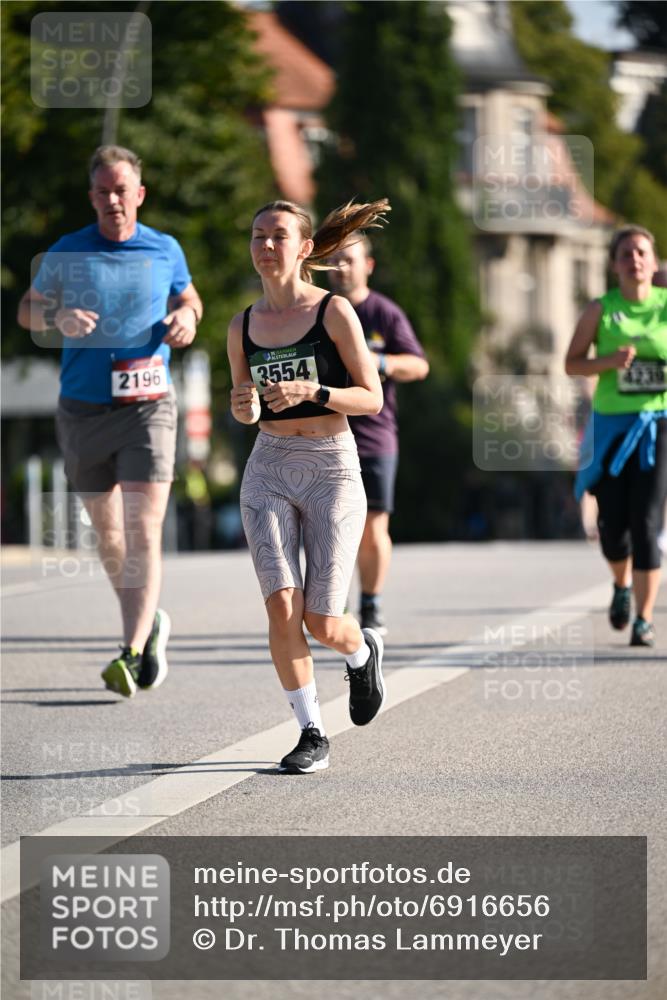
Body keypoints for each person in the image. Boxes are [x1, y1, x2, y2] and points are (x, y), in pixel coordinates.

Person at [18, 145, 202, 694]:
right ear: (92, 196)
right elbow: (27, 308)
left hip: (148, 406)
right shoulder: (68, 251)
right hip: (83, 409)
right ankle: (151, 624)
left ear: (139, 194)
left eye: (122, 190)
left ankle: (131, 648)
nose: (113, 200)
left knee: (143, 526)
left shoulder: (164, 248)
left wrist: (187, 318)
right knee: (108, 537)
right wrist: (58, 315)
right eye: (103, 191)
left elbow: (190, 299)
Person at [228, 198, 387, 774]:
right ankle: (311, 731)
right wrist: (242, 405)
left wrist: (313, 392)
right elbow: (246, 410)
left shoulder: (334, 312)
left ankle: (362, 650)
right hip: (268, 465)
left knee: (322, 621)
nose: (266, 245)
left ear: (303, 249)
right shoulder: (241, 325)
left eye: (277, 236)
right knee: (281, 607)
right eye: (257, 235)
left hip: (330, 467)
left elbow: (371, 398)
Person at [566, 225, 667, 647]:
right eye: (626, 253)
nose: (635, 260)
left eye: (641, 252)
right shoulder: (600, 310)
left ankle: (643, 619)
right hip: (609, 427)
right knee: (612, 527)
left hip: (657, 423)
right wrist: (607, 360)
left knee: (646, 521)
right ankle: (621, 585)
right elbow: (572, 364)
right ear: (614, 264)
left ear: (654, 260)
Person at [327, 237, 429, 634]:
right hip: (326, 434)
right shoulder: (318, 311)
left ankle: (370, 603)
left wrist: (378, 361)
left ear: (367, 265)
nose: (340, 266)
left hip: (374, 436)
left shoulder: (383, 313)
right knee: (331, 525)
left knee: (372, 526)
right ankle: (333, 603)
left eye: (348, 259)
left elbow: (419, 365)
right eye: (333, 259)